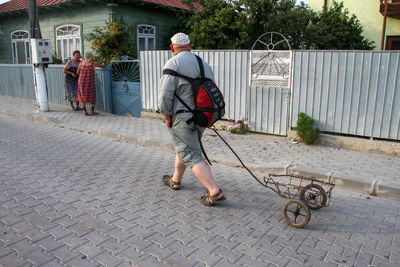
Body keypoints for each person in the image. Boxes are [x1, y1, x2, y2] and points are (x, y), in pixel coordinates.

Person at [158, 32, 226, 206]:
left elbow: (165, 94)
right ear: (189, 45)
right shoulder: (203, 64)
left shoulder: (173, 62)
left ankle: (214, 191)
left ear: (172, 47)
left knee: (190, 153)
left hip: (182, 118)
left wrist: (166, 115)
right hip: (201, 116)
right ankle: (176, 179)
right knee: (185, 147)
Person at [76, 52, 106, 116]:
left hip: (81, 81)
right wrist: (104, 61)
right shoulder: (93, 63)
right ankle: (92, 111)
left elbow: (77, 72)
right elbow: (103, 66)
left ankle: (84, 111)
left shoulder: (81, 63)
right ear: (91, 56)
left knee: (82, 96)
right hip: (90, 82)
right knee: (92, 95)